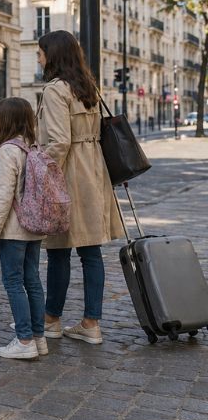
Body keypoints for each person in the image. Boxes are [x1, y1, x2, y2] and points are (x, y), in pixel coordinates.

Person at [37, 31, 123, 344]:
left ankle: (51, 320)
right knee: (91, 253)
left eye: (41, 52)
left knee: (59, 251)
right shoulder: (87, 87)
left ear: (54, 55)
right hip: (94, 172)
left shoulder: (55, 90)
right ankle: (91, 323)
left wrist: (37, 170)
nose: (38, 58)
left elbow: (59, 142)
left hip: (69, 174)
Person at [0, 98, 47, 360]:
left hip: (14, 229)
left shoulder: (8, 150)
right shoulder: (33, 146)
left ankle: (24, 339)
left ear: (6, 120)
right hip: (34, 226)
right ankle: (38, 337)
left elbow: (2, 197)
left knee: (13, 282)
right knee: (32, 280)